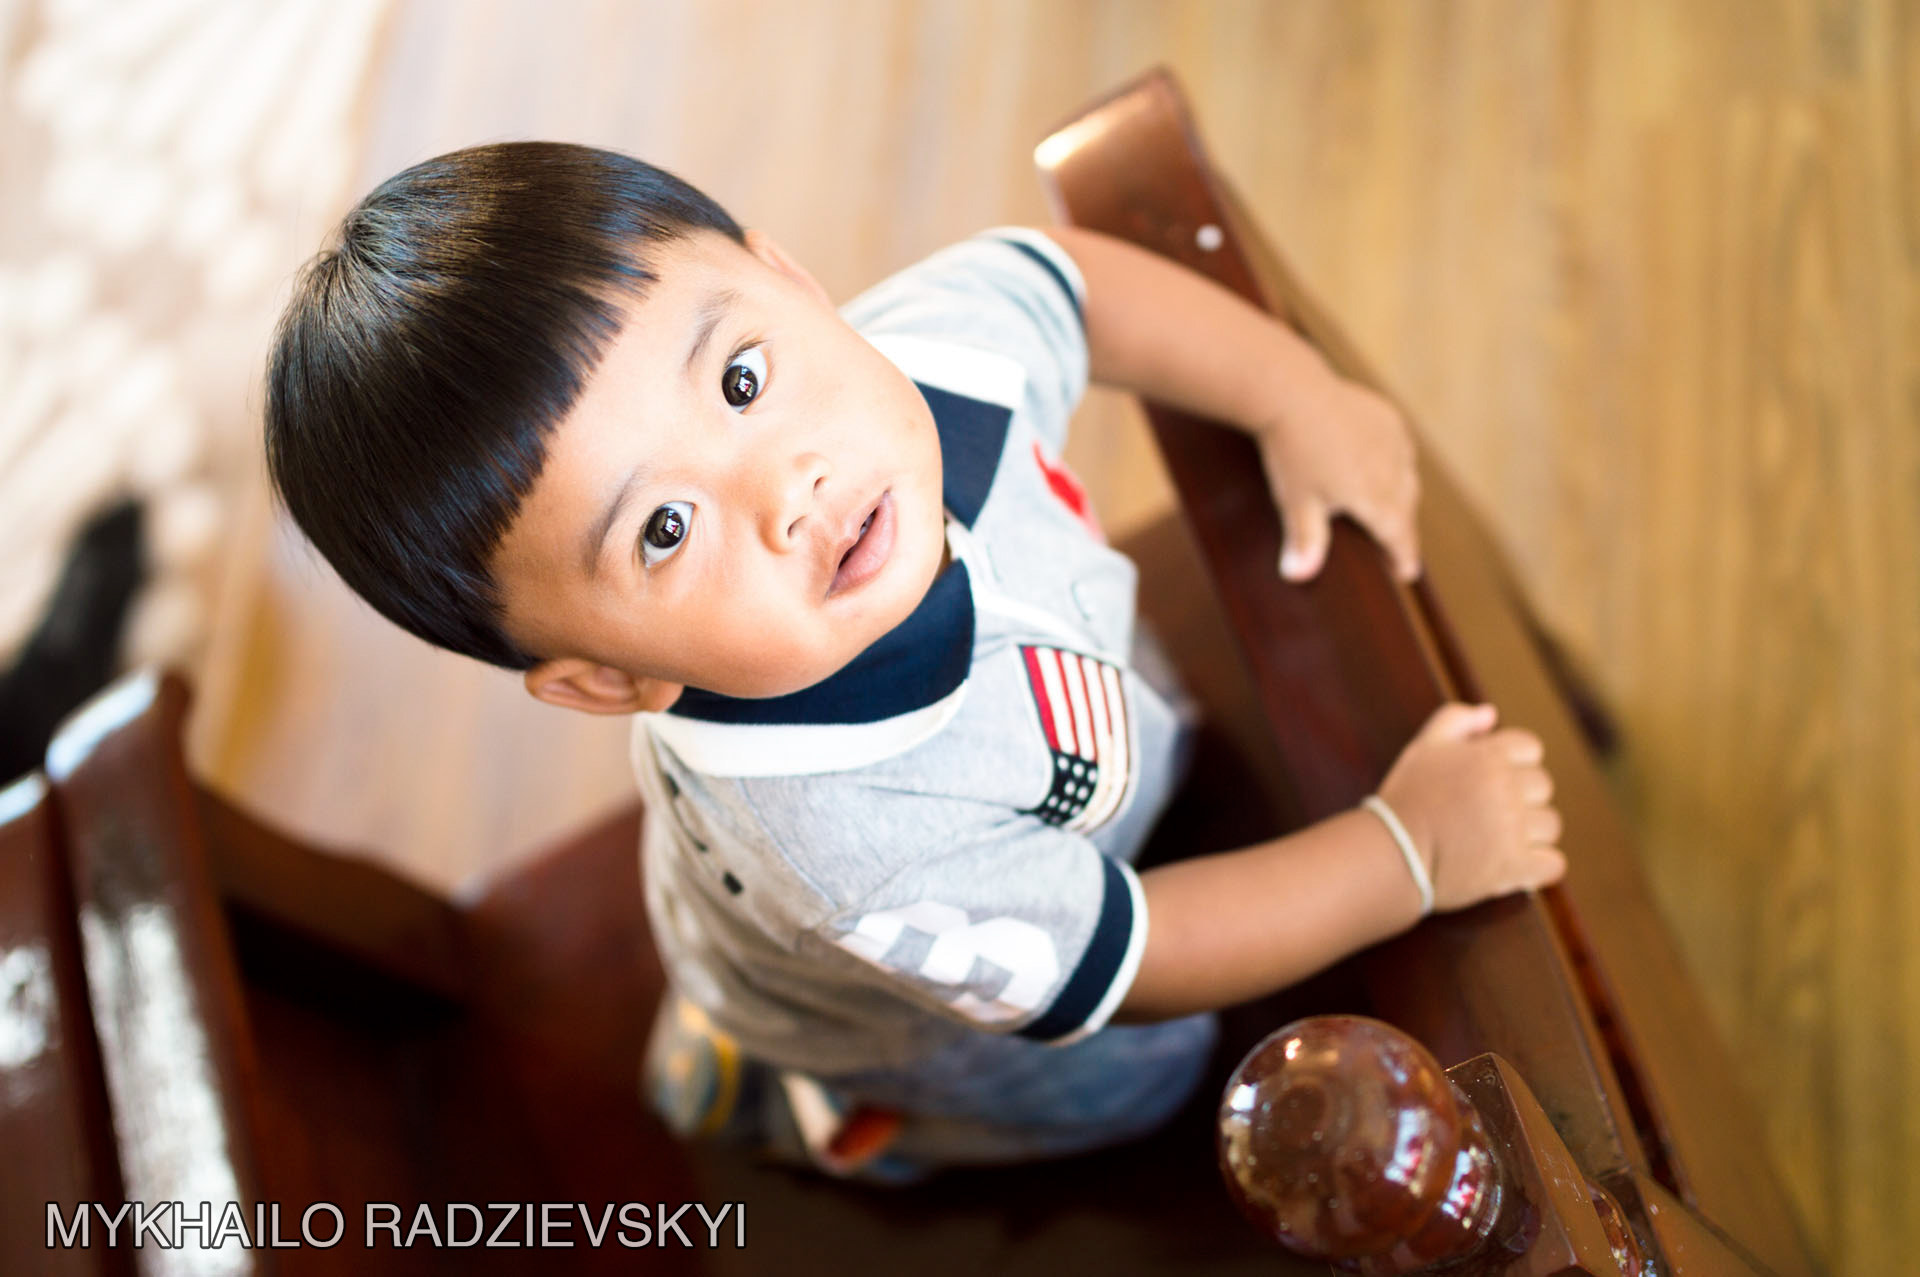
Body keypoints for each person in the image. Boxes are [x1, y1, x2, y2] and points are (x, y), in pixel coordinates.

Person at [265, 142, 1565, 1182]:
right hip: (896, 999)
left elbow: (1075, 285)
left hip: (1065, 729)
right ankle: (811, 1107)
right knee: (1143, 1077)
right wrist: (1410, 853)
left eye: (740, 377)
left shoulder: (928, 356)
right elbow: (1133, 950)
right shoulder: (856, 843)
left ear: (791, 282)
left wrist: (1295, 394)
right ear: (608, 681)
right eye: (664, 526)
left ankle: (723, 1023)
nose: (789, 482)